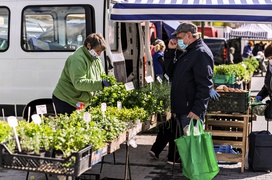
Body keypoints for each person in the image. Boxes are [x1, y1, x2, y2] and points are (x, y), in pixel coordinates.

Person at [167, 21, 214, 137]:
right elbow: (171, 73)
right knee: (186, 150)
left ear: (188, 35)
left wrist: (197, 110)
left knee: (191, 150)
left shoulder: (200, 52)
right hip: (184, 110)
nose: (177, 41)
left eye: (179, 37)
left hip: (191, 112)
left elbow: (205, 85)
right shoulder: (189, 52)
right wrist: (171, 51)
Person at [52, 33, 111, 115]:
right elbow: (79, 83)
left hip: (80, 101)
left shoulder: (95, 59)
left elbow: (102, 76)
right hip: (67, 100)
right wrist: (100, 84)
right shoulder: (77, 59)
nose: (99, 54)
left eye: (100, 51)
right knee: (72, 126)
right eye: (97, 51)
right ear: (89, 46)